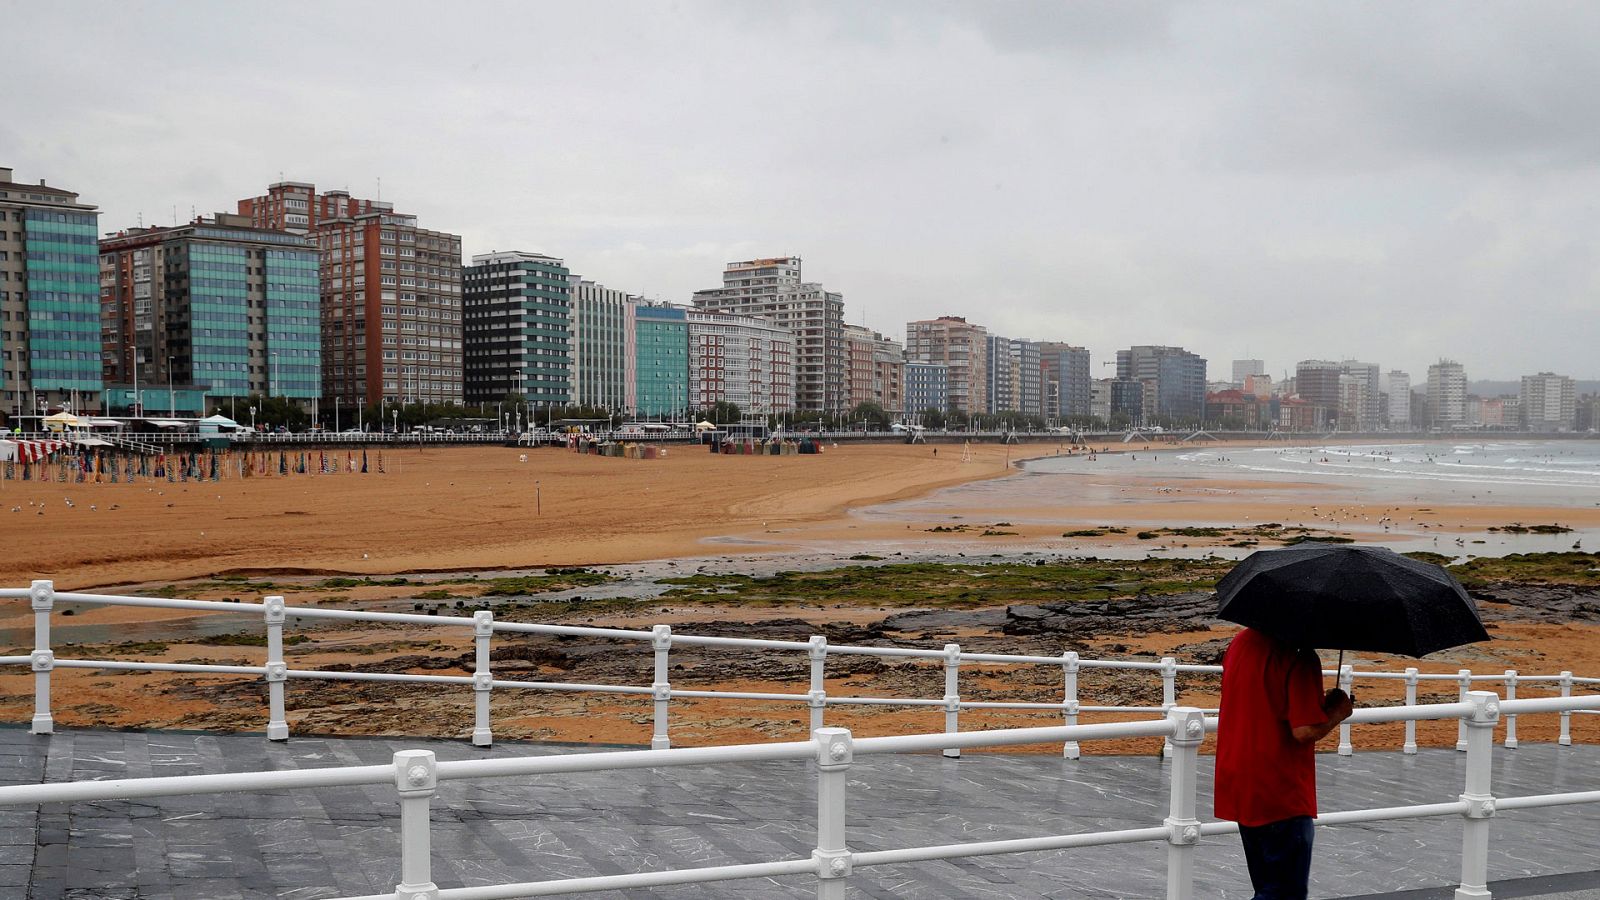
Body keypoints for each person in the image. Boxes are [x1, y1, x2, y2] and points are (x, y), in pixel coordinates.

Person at [1214, 627, 1354, 900]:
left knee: (1266, 884)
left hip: (1240, 780)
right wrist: (1337, 712)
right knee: (1284, 892)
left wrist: (1316, 705)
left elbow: (1267, 701)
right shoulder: (1299, 656)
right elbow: (1303, 731)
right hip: (1280, 789)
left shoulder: (1241, 642)